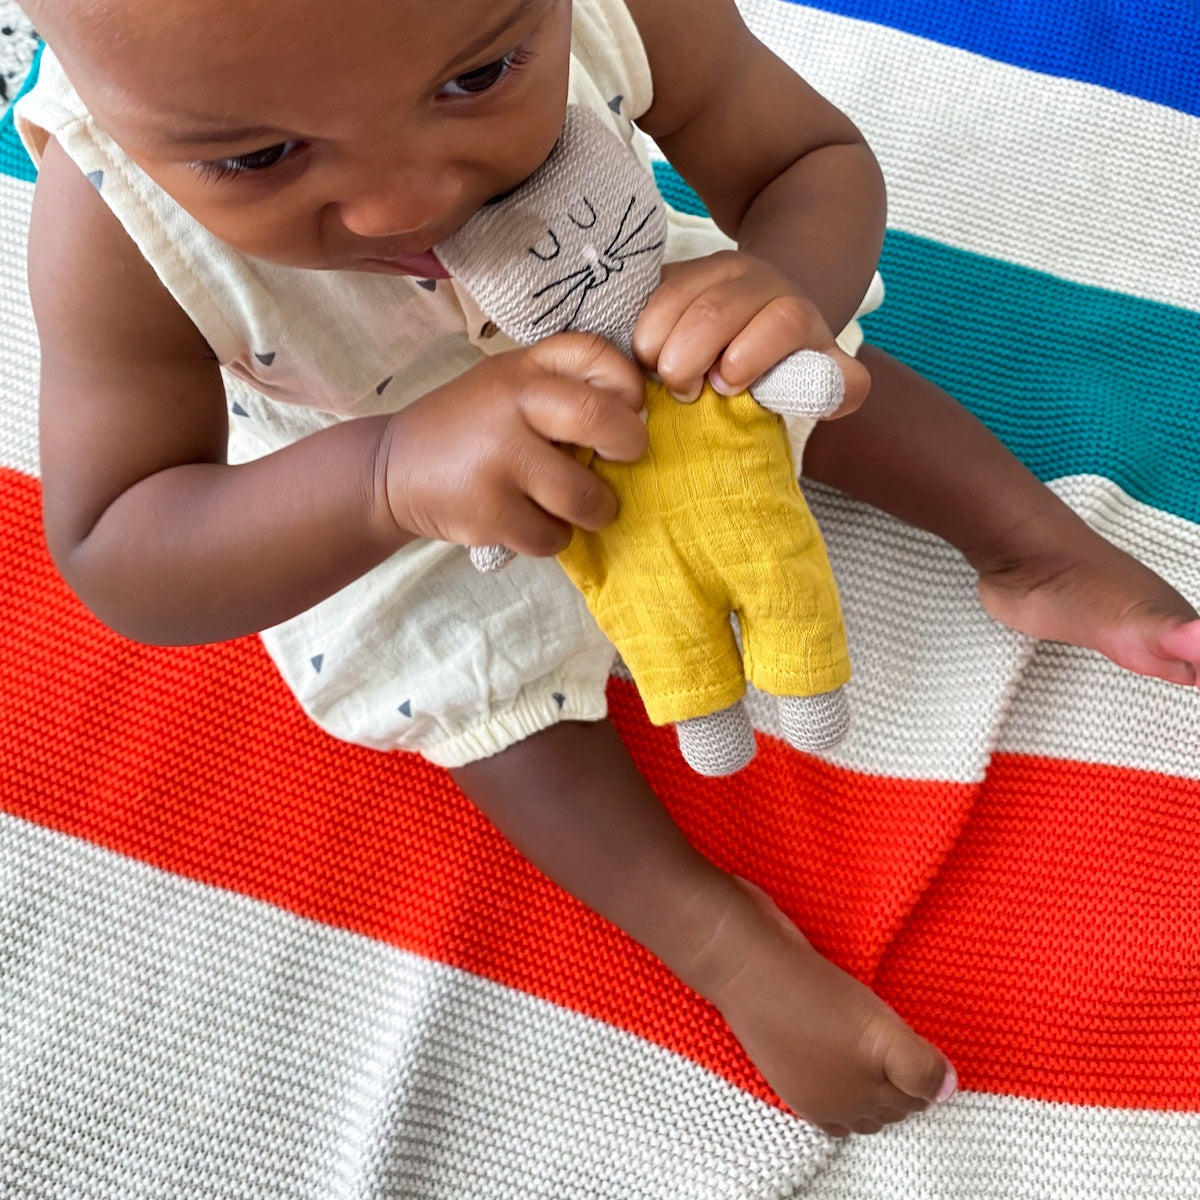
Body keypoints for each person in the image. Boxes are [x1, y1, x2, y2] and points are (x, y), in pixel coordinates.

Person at [16, 0, 1200, 1140]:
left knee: (803, 378)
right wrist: (384, 480)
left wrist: (784, 286)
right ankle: (721, 939)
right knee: (468, 684)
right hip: (354, 467)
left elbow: (805, 157)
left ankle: (1030, 549)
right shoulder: (107, 212)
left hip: (618, 308)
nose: (407, 198)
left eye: (474, 78)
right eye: (259, 156)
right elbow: (121, 540)